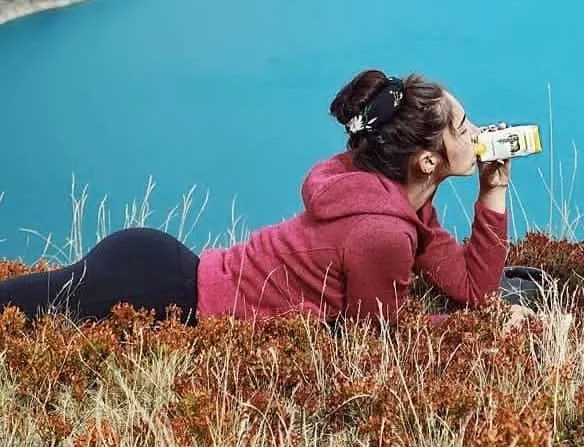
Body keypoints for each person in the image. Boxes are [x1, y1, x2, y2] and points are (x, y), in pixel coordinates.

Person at [0, 69, 548, 329]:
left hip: (161, 270)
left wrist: (493, 189)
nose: (478, 132)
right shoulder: (381, 230)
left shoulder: (397, 200)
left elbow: (471, 286)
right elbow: (379, 337)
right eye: (463, 124)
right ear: (427, 161)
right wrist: (492, 326)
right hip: (154, 291)